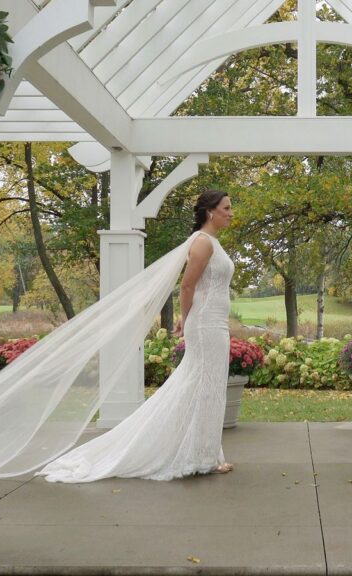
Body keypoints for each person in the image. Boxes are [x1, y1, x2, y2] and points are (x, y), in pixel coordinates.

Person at [37, 189, 236, 482]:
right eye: (227, 208)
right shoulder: (203, 243)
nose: (231, 213)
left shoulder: (211, 243)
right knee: (204, 388)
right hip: (206, 325)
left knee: (206, 388)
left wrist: (187, 318)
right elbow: (186, 286)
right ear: (210, 212)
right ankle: (200, 456)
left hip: (214, 323)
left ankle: (204, 453)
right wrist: (188, 318)